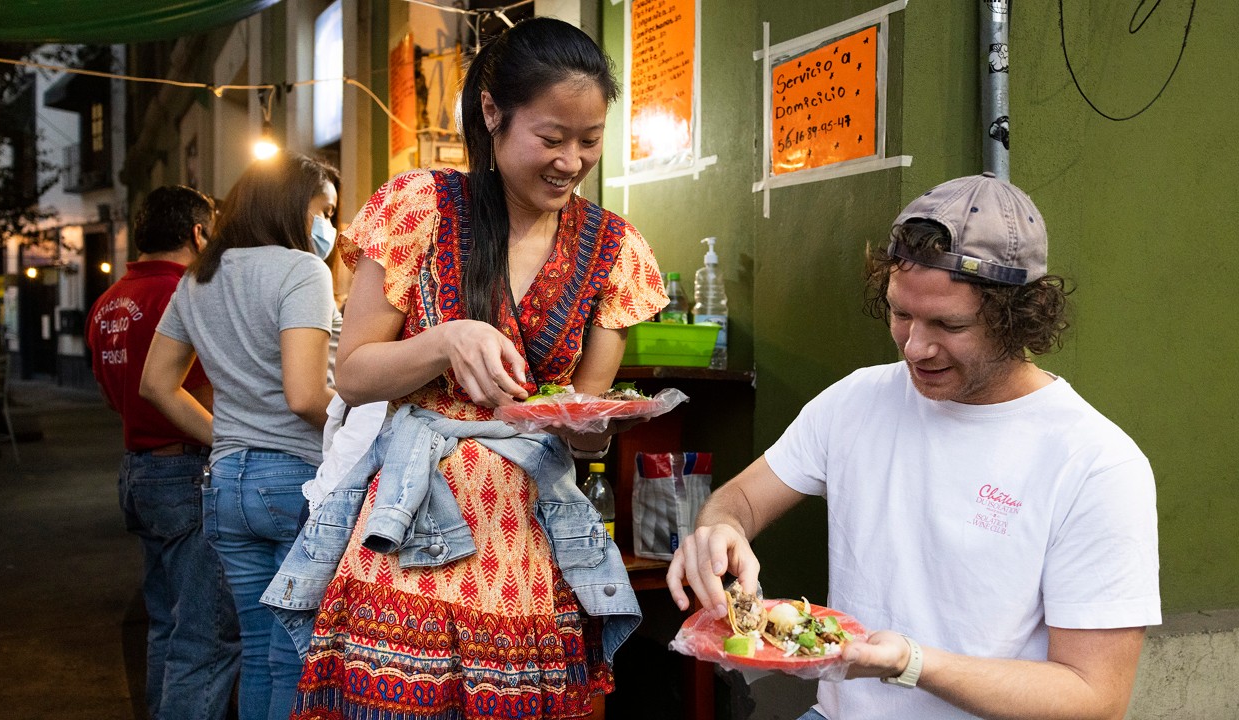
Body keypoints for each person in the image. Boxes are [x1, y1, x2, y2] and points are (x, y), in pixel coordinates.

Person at [279, 16, 668, 719]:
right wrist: (444, 340)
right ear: (493, 112)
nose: (571, 161)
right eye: (551, 138)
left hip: (529, 536)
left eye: (589, 141)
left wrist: (594, 428)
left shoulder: (613, 251)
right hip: (410, 527)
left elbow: (585, 417)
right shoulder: (421, 207)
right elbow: (355, 375)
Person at [667, 172, 1160, 720]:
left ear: (1019, 317)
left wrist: (913, 663)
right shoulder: (855, 400)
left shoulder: (1096, 462)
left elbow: (1096, 698)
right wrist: (720, 531)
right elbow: (742, 501)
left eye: (949, 324)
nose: (916, 347)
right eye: (901, 313)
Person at [141, 152, 340, 720]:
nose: (329, 225)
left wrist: (226, 438)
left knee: (257, 652)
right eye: (323, 209)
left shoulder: (198, 277)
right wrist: (362, 437)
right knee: (293, 656)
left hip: (224, 484)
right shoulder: (302, 271)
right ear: (288, 205)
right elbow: (305, 396)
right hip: (295, 481)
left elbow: (156, 384)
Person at [85, 185, 240, 720]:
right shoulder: (187, 293)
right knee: (207, 637)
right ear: (198, 233)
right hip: (186, 470)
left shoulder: (109, 302)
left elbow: (113, 395)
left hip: (138, 470)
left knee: (166, 626)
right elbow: (195, 388)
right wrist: (224, 437)